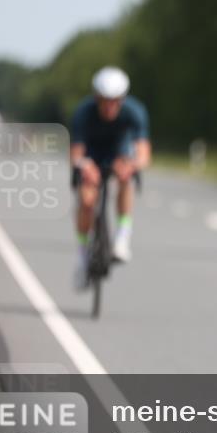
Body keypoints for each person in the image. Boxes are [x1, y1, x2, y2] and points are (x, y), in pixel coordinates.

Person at [70, 66, 150, 290]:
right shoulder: (83, 113)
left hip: (119, 151)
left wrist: (132, 166)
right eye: (104, 101)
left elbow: (144, 154)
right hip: (92, 153)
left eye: (115, 101)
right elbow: (75, 154)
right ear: (96, 98)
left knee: (126, 177)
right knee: (87, 202)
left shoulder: (134, 112)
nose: (109, 106)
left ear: (122, 99)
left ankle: (123, 236)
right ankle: (82, 256)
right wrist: (85, 166)